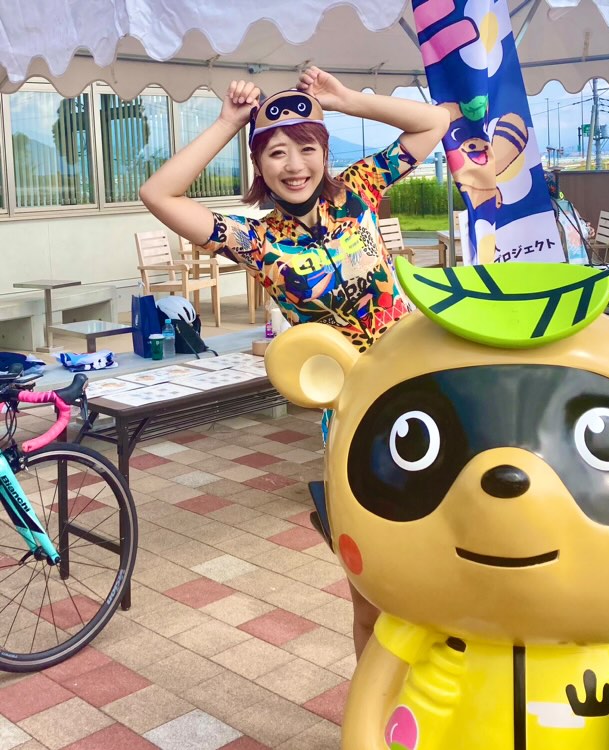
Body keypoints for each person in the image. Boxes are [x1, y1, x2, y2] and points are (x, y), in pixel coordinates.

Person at [139, 67, 449, 659]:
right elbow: (159, 195)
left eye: (307, 147)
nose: (294, 164)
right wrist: (228, 122)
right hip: (352, 410)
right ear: (259, 166)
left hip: (420, 383)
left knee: (447, 550)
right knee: (371, 586)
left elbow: (434, 121)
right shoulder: (257, 241)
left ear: (325, 153)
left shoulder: (358, 189)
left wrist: (349, 100)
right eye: (276, 152)